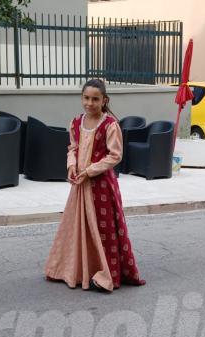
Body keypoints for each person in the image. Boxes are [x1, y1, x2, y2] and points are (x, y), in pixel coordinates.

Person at [44, 79, 146, 292]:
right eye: (86, 98)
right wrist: (71, 166)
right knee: (77, 228)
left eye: (95, 99)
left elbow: (115, 156)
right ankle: (78, 270)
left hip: (101, 187)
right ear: (82, 98)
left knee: (104, 231)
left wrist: (89, 171)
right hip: (79, 185)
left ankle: (105, 274)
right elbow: (72, 147)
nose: (90, 103)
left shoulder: (110, 125)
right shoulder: (75, 122)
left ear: (104, 100)